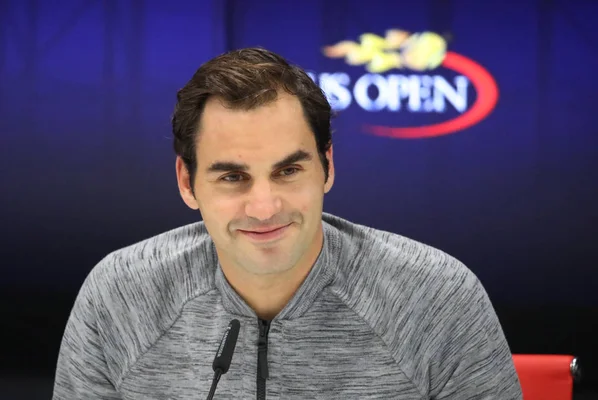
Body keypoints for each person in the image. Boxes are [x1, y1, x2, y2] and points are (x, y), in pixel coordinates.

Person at [53, 47, 522, 399]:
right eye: (232, 176)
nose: (263, 207)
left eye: (288, 170)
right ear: (187, 182)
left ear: (328, 168)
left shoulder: (437, 298)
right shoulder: (117, 295)